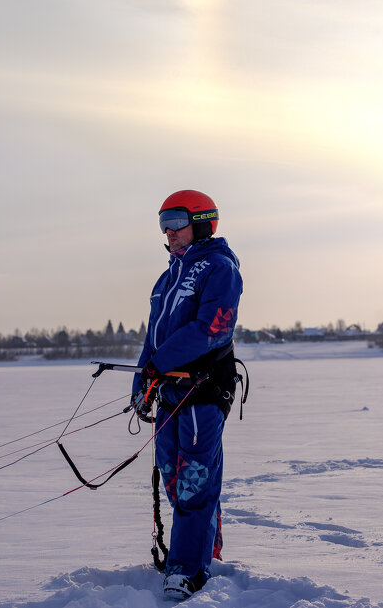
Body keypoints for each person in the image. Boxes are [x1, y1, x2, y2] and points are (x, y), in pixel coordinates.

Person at [131, 189, 243, 601]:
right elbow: (153, 337)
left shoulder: (219, 267)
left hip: (203, 391)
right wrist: (144, 380)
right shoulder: (166, 277)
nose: (168, 230)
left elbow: (213, 328)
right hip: (168, 392)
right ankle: (202, 544)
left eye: (177, 221)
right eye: (163, 222)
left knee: (195, 481)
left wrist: (161, 364)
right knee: (174, 475)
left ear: (201, 221)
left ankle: (187, 569)